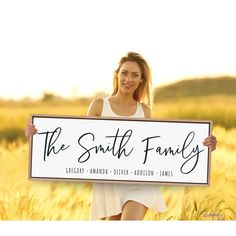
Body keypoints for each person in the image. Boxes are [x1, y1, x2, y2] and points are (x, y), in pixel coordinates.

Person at [25, 52, 217, 221]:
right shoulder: (99, 106)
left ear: (141, 80)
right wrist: (40, 135)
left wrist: (201, 146)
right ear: (116, 75)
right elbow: (77, 144)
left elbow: (160, 150)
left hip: (140, 184)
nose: (128, 79)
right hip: (109, 185)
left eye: (135, 75)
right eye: (124, 73)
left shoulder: (144, 111)